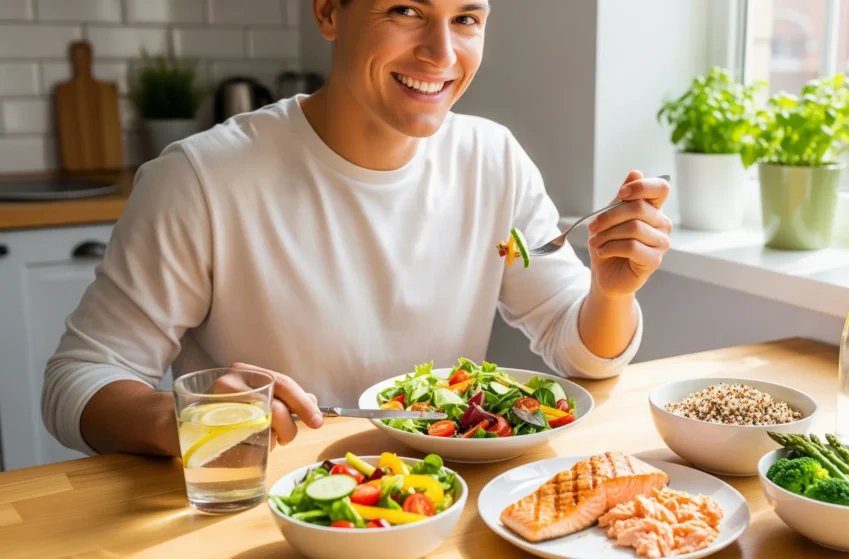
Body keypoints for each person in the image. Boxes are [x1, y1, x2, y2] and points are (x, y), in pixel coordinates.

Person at [41, 0, 672, 458]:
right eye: (405, 10)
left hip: (439, 505)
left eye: (466, 19)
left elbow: (576, 346)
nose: (442, 54)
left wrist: (611, 292)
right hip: (264, 508)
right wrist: (187, 417)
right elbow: (79, 378)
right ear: (327, 11)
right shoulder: (199, 179)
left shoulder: (492, 160)